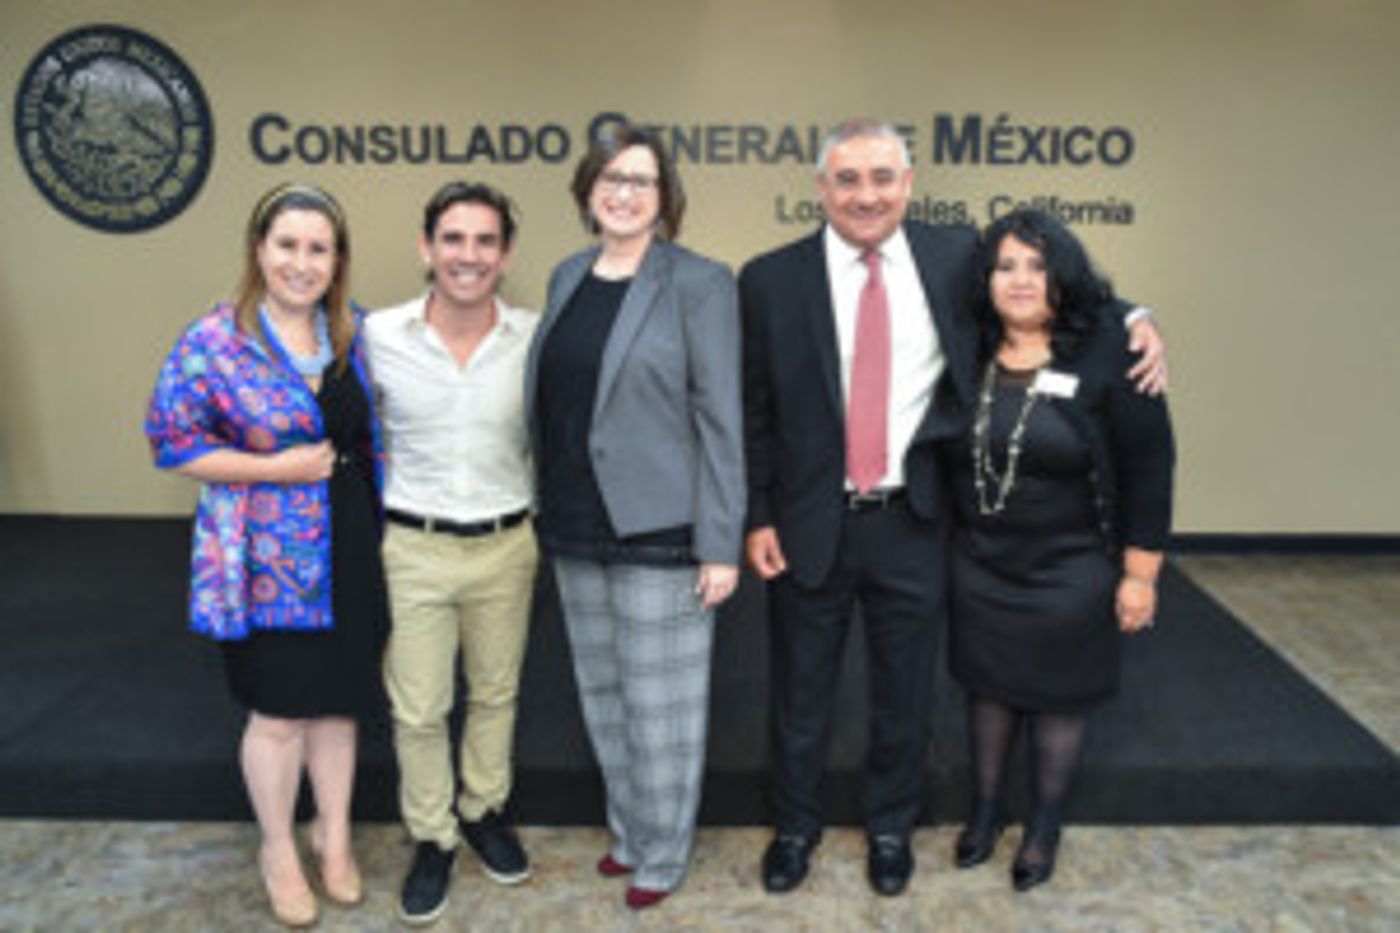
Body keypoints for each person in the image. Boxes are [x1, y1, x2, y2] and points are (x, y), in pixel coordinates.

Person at [740, 118, 1167, 897]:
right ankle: (794, 827)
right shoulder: (768, 279)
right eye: (847, 179)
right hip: (808, 521)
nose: (865, 195)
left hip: (917, 521)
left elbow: (1049, 287)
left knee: (905, 690)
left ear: (907, 185)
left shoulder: (951, 259)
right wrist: (759, 513)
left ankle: (891, 828)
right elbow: (756, 410)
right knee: (799, 691)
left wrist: (1136, 318)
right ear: (821, 188)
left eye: (881, 178)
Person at [145, 183, 386, 928]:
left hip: (348, 545)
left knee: (340, 703)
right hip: (263, 558)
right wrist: (272, 469)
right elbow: (171, 440)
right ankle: (279, 847)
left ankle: (334, 836)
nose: (302, 262)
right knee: (280, 711)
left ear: (337, 259)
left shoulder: (357, 332)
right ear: (259, 247)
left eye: (319, 248)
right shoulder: (215, 340)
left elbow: (377, 436)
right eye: (287, 245)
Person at [524, 122, 745, 910]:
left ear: (665, 197)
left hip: (663, 531)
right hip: (576, 521)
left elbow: (721, 416)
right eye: (610, 177)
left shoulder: (699, 282)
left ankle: (664, 849)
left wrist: (720, 542)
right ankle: (629, 830)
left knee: (663, 712)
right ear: (588, 189)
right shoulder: (567, 275)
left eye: (641, 181)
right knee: (605, 696)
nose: (623, 192)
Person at [942, 208, 1173, 890]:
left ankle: (1043, 824)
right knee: (987, 690)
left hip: (1072, 568)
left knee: (1057, 700)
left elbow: (1151, 467)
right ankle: (984, 812)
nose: (1020, 280)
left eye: (1038, 266)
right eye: (1006, 265)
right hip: (981, 564)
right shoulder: (966, 344)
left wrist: (1140, 575)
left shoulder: (1110, 348)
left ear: (1063, 275)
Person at [365, 182, 538, 925]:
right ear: (426, 247)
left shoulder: (535, 337)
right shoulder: (377, 337)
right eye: (454, 238)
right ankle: (433, 835)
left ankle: (482, 810)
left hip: (507, 543)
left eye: (485, 241)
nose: (469, 255)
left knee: (496, 694)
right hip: (414, 546)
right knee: (420, 706)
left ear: (505, 255)